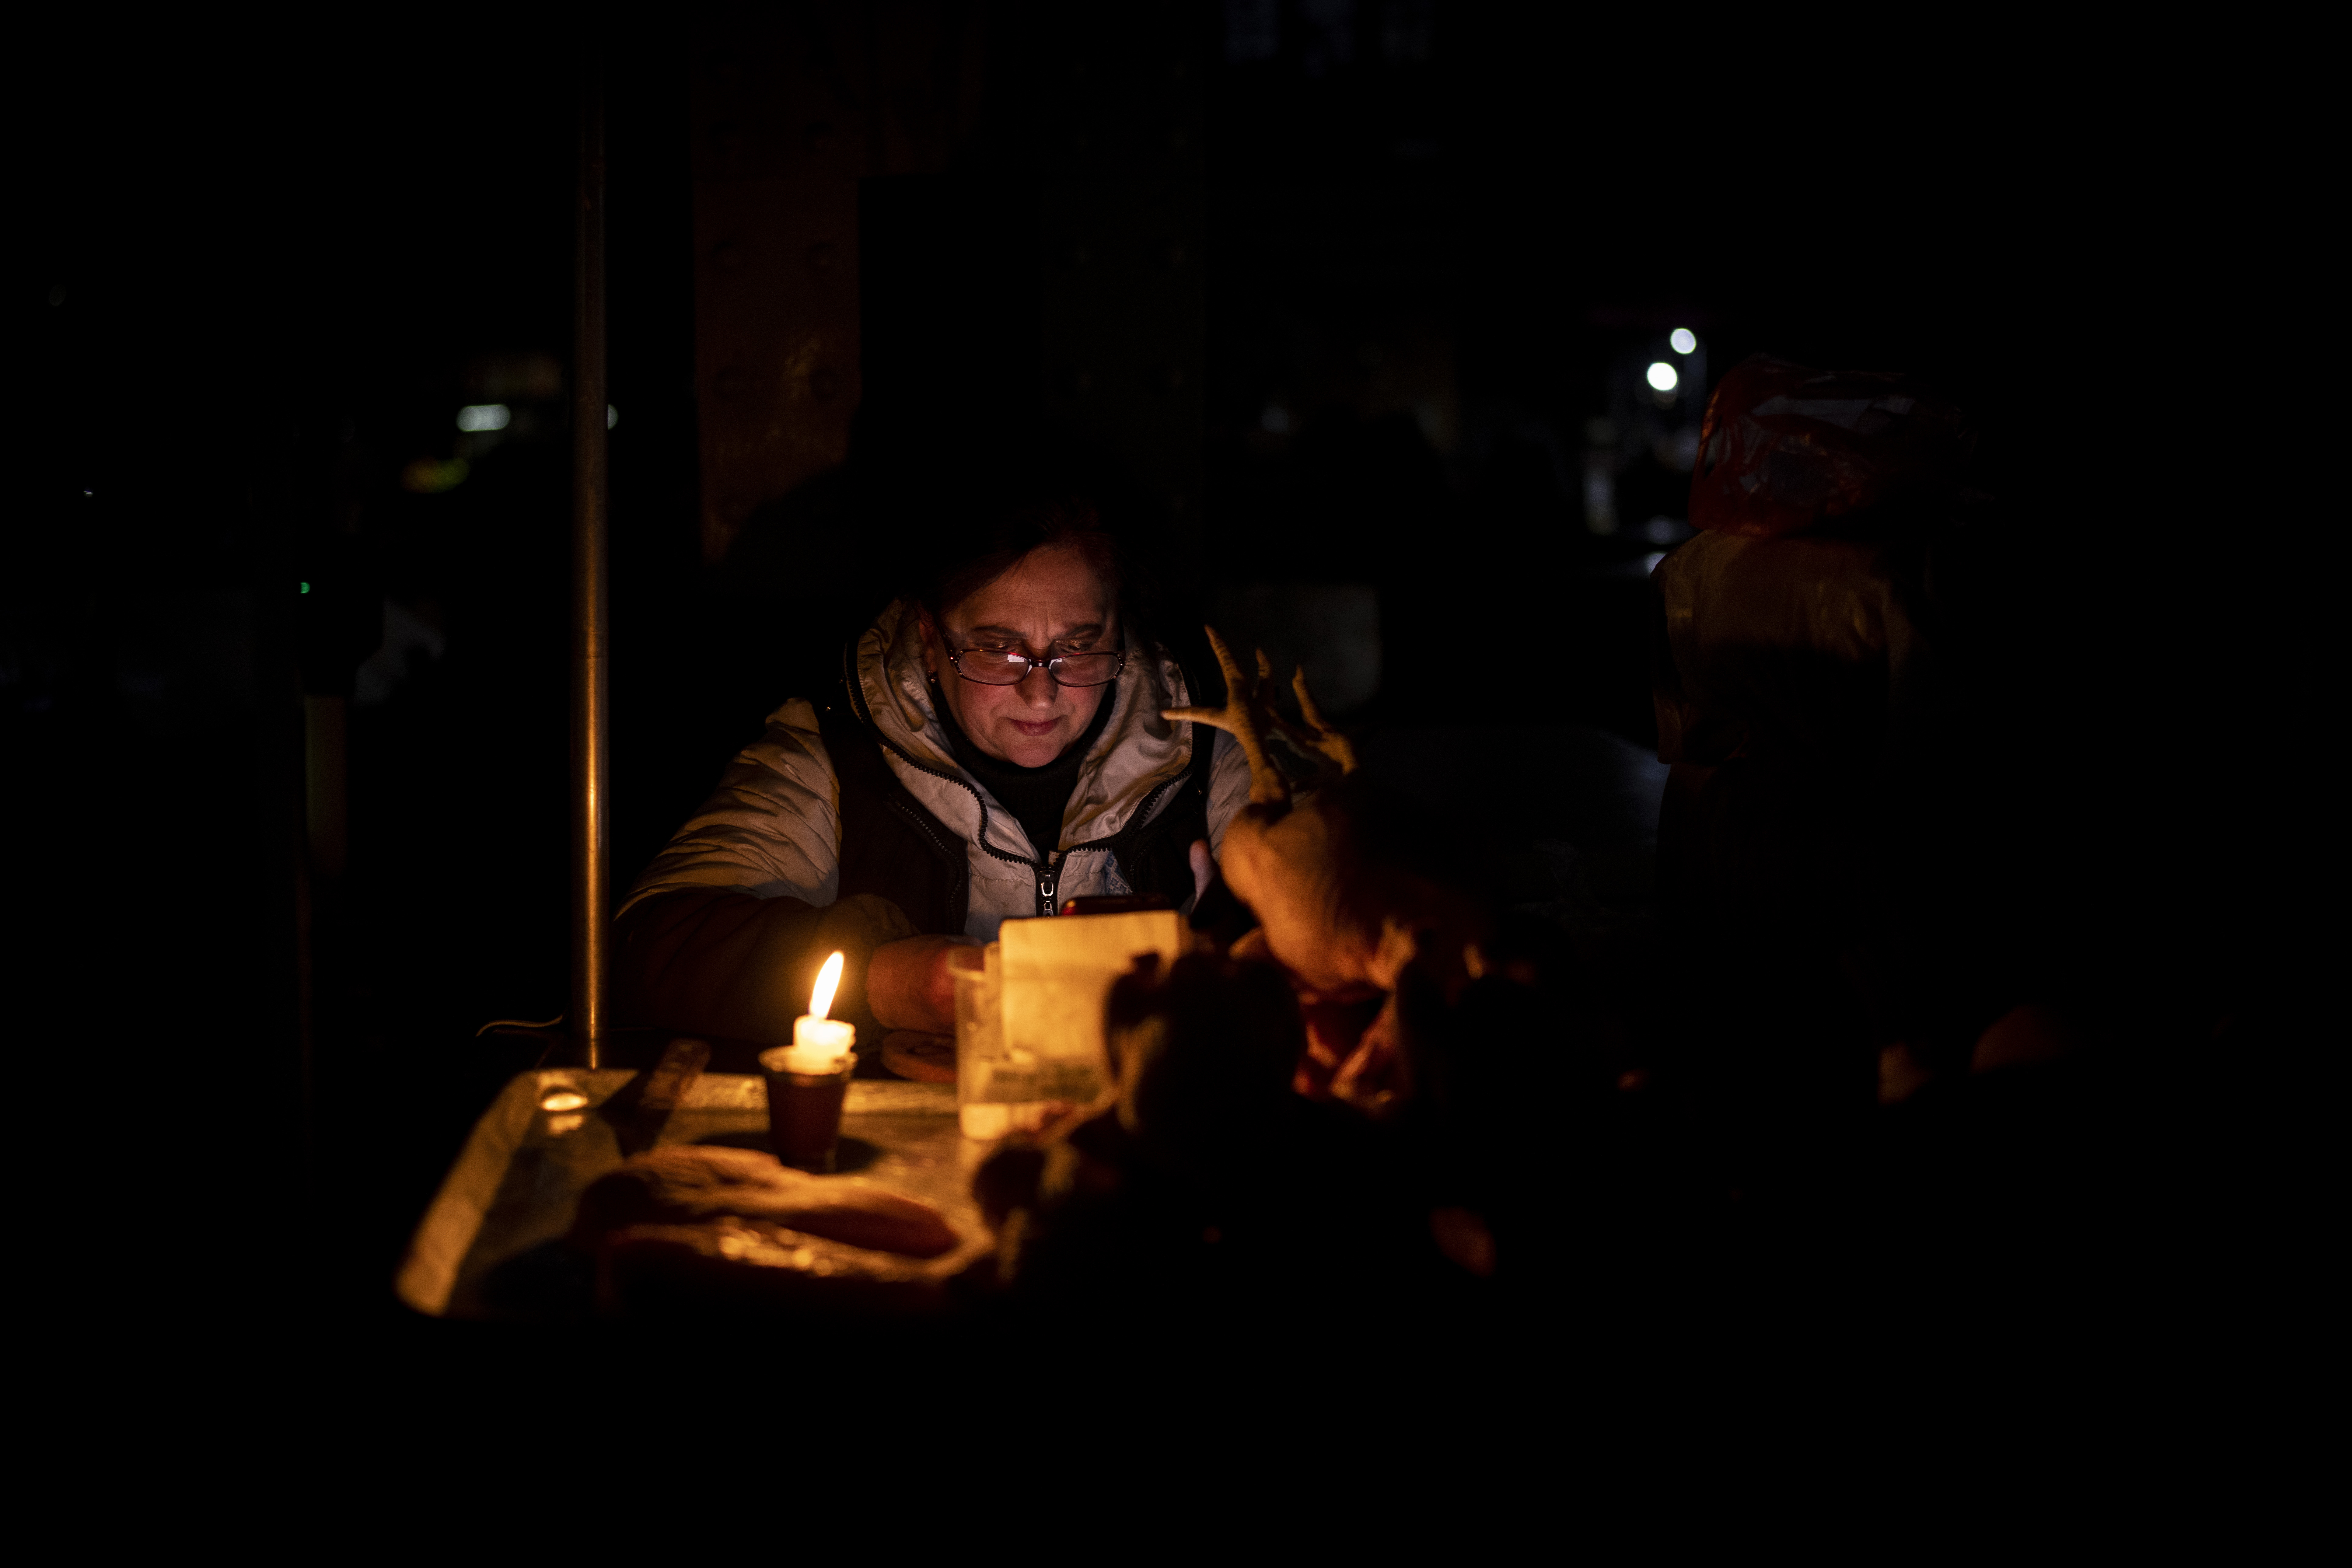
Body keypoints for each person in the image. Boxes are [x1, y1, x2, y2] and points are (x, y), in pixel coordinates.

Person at [613, 455, 1252, 1053]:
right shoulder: (836, 754)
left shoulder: (1211, 747)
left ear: (1121, 631)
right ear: (927, 637)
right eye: (997, 649)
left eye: (1078, 647)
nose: (1040, 692)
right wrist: (887, 978)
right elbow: (650, 950)